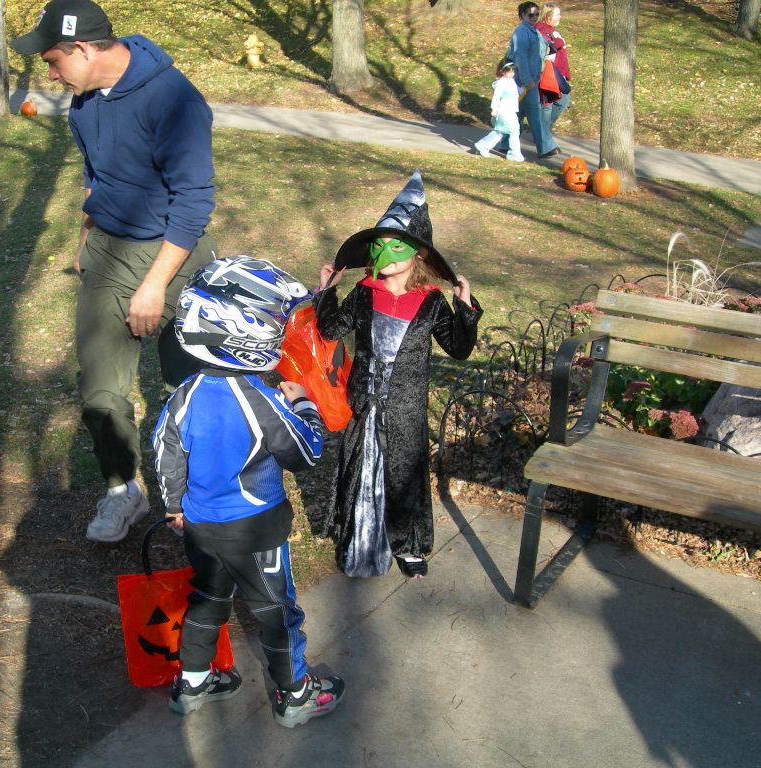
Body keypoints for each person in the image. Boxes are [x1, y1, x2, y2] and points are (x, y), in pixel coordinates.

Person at [11, 0, 219, 543]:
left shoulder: (174, 100)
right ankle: (122, 490)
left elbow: (194, 201)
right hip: (110, 250)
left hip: (175, 255)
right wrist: (86, 236)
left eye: (54, 61)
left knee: (192, 387)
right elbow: (95, 173)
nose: (51, 76)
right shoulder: (84, 102)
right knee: (99, 385)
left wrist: (154, 285)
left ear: (83, 49)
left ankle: (200, 497)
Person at [153, 256, 345, 729]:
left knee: (207, 600)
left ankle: (193, 683)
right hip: (256, 530)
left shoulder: (183, 396)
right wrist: (305, 403)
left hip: (201, 527)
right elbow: (304, 452)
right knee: (277, 611)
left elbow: (165, 453)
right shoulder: (262, 400)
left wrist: (174, 506)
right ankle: (295, 694)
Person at [316, 171, 482, 579]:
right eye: (379, 245)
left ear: (418, 253)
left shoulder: (431, 302)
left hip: (405, 408)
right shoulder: (364, 293)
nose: (385, 254)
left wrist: (465, 308)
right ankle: (357, 538)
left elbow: (459, 349)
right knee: (360, 469)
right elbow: (330, 330)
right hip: (364, 402)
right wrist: (326, 291)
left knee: (404, 474)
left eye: (396, 245)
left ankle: (408, 544)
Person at [498, 1, 559, 160]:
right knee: (535, 112)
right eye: (531, 14)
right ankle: (546, 148)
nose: (534, 17)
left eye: (537, 14)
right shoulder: (521, 32)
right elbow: (521, 57)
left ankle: (505, 144)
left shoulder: (533, 30)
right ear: (523, 15)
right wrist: (527, 80)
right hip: (523, 80)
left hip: (531, 79)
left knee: (517, 113)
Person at [473, 60, 525, 161]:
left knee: (500, 131)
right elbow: (496, 97)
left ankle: (483, 145)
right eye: (509, 71)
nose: (512, 73)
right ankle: (514, 154)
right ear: (502, 71)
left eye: (513, 71)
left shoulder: (511, 81)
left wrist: (524, 88)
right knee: (513, 131)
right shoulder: (501, 83)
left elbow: (517, 91)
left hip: (511, 111)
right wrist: (494, 109)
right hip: (504, 111)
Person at [537, 3, 572, 128]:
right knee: (549, 104)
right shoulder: (541, 31)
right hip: (550, 74)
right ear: (548, 16)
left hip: (558, 73)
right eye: (557, 14)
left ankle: (542, 128)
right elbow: (545, 49)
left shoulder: (551, 30)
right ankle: (542, 130)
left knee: (562, 101)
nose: (560, 17)